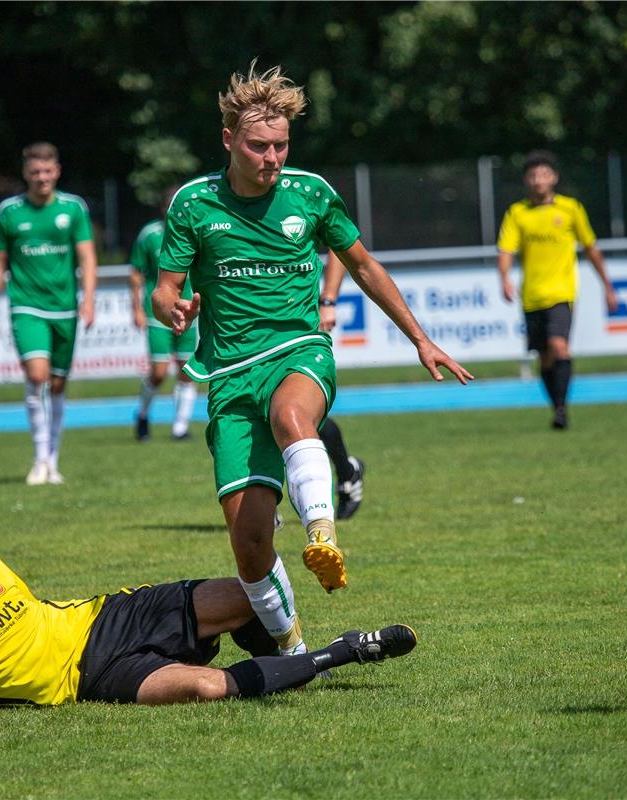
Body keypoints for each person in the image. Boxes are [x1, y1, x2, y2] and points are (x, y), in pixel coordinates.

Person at [152, 62, 472, 656]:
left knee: (293, 418)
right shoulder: (193, 205)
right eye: (257, 146)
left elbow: (365, 266)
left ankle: (321, 531)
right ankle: (294, 652)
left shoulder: (310, 193)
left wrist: (420, 338)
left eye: (280, 146)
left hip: (300, 349)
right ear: (229, 141)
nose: (271, 158)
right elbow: (164, 287)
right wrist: (172, 307)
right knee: (248, 541)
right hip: (227, 376)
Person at [0, 505, 417, 717]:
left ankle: (281, 666)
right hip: (92, 677)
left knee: (243, 591)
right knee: (207, 689)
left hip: (105, 618)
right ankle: (344, 651)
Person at [0, 143, 97, 486]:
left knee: (58, 384)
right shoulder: (9, 212)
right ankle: (38, 458)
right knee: (37, 376)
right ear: (26, 174)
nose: (42, 178)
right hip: (26, 306)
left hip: (64, 308)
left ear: (57, 172)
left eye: (47, 171)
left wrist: (89, 299)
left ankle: (52, 461)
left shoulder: (73, 208)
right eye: (35, 172)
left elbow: (87, 256)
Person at [496, 150, 618, 430]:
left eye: (544, 174)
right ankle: (558, 408)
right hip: (531, 296)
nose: (539, 180)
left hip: (561, 293)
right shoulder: (518, 213)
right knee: (545, 357)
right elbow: (505, 250)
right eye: (533, 175)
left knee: (559, 346)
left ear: (554, 177)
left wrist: (607, 286)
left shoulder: (570, 209)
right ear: (527, 180)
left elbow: (590, 248)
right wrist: (503, 278)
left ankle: (562, 408)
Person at [129, 184, 198, 442]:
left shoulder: (194, 232)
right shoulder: (150, 235)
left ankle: (180, 428)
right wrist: (135, 307)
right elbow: (136, 273)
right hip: (157, 313)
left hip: (189, 312)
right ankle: (143, 414)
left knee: (187, 371)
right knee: (158, 372)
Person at [318, 250, 365, 520]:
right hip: (249, 327)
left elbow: (340, 246)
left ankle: (347, 473)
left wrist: (328, 299)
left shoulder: (302, 206)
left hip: (299, 319)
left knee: (300, 412)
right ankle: (348, 471)